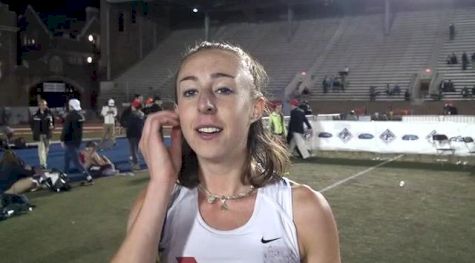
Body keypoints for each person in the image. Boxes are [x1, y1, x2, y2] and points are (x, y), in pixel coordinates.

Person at [111, 42, 340, 262]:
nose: (204, 104)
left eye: (223, 89)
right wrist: (162, 183)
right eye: (190, 92)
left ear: (255, 109)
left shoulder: (304, 210)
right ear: (179, 113)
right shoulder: (154, 203)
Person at [60, 99, 93, 185]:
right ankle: (64, 176)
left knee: (76, 162)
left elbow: (66, 129)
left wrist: (62, 139)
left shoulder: (70, 116)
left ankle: (88, 177)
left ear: (71, 106)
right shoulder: (80, 116)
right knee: (66, 159)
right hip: (77, 141)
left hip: (69, 140)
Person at [31, 99, 54, 169]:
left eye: (45, 105)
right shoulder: (35, 115)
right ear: (39, 106)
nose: (43, 106)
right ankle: (43, 164)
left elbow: (53, 122)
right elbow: (31, 124)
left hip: (48, 134)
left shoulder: (50, 114)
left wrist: (52, 127)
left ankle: (44, 162)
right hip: (39, 134)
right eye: (42, 105)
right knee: (41, 150)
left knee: (46, 150)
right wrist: (35, 131)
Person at [125, 99, 145, 170]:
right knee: (139, 148)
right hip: (139, 133)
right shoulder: (142, 114)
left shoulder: (132, 114)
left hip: (132, 134)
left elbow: (129, 125)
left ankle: (136, 164)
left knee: (133, 150)